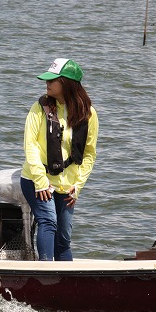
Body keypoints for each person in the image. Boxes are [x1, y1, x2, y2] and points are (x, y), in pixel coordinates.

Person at [20, 58, 99, 261]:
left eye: (52, 80)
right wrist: (40, 181)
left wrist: (78, 186)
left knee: (63, 238)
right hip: (36, 179)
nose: (47, 83)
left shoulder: (89, 114)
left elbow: (89, 154)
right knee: (48, 221)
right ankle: (45, 271)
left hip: (68, 185)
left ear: (67, 83)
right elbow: (30, 146)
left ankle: (67, 277)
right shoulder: (39, 108)